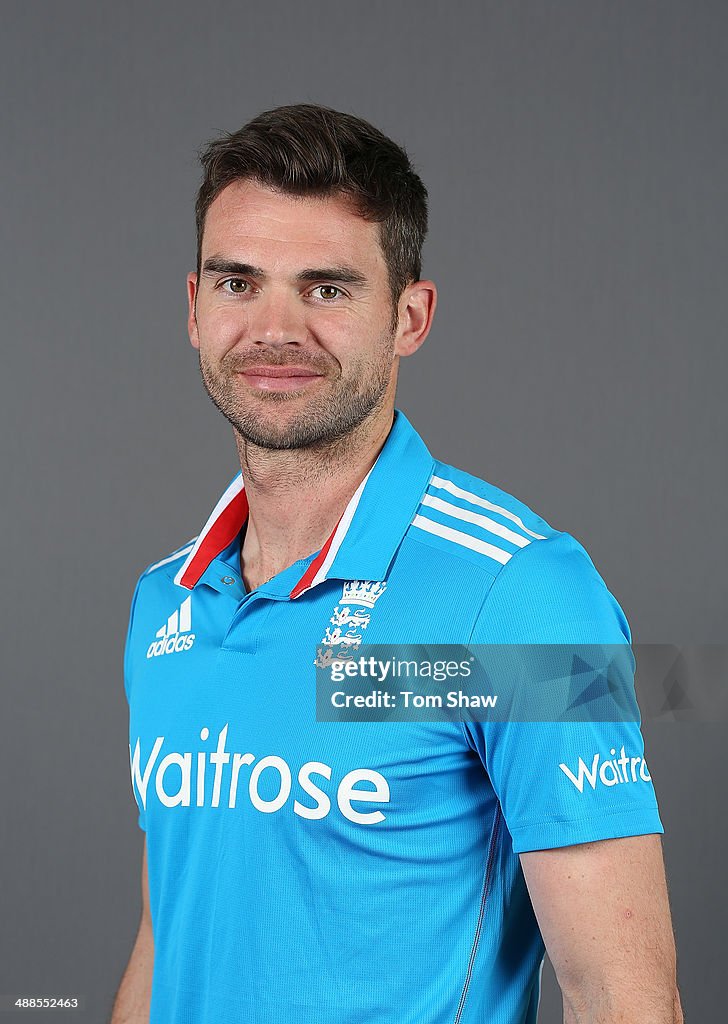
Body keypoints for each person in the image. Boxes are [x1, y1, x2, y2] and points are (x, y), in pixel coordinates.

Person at [111, 103, 683, 1024]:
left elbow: (622, 997)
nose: (275, 329)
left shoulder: (526, 594)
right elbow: (169, 935)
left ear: (409, 317)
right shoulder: (161, 602)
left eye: (328, 289)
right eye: (238, 283)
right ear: (193, 308)